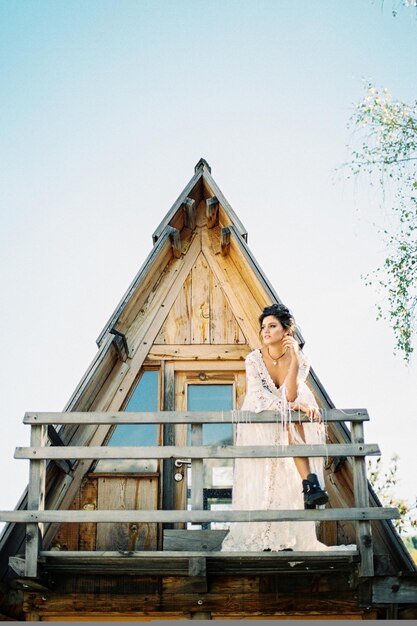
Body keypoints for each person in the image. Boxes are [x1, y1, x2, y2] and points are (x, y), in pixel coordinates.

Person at [221, 303, 335, 552]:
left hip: (287, 415)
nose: (266, 331)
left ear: (286, 332)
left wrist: (294, 359)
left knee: (289, 437)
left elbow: (292, 394)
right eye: (263, 326)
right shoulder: (253, 359)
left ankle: (305, 491)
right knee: (262, 472)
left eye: (272, 326)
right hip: (260, 414)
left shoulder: (300, 360)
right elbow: (258, 395)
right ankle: (308, 486)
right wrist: (294, 408)